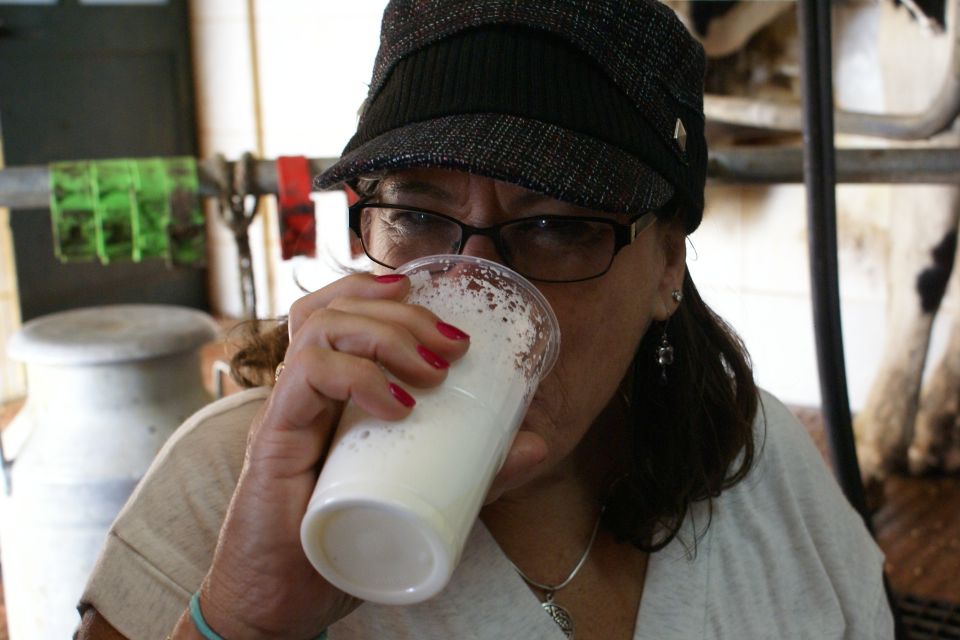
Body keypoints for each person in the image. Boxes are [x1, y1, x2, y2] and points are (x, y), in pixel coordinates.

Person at [76, 1, 894, 638]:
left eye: (557, 225)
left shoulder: (749, 459)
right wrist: (246, 621)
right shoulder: (234, 484)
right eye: (418, 214)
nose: (478, 291)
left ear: (668, 265)